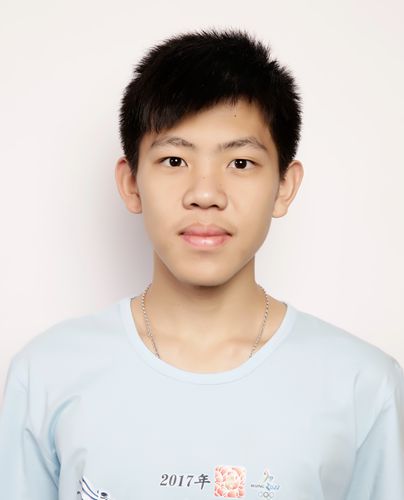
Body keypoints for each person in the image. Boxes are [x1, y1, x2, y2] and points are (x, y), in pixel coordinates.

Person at [0, 27, 403, 500]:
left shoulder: (362, 385)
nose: (205, 194)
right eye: (174, 161)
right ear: (131, 184)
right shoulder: (47, 374)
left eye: (240, 163)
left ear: (284, 186)